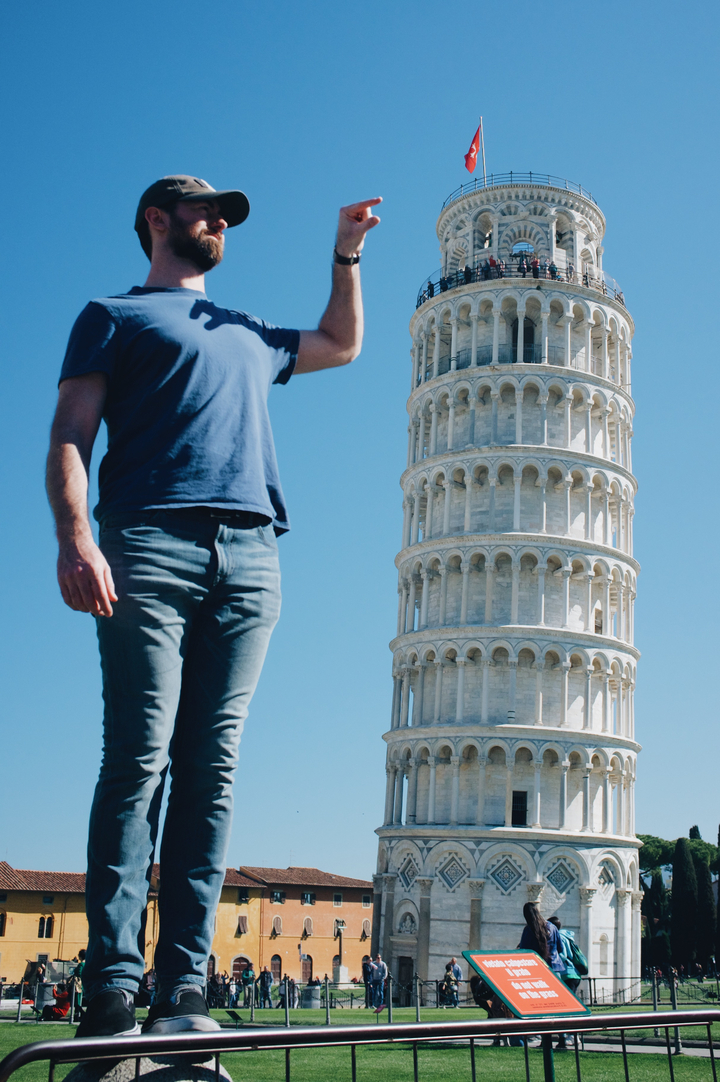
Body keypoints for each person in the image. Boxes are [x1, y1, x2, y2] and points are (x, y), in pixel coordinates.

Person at [47, 176, 381, 1041]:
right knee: (138, 760)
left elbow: (343, 343)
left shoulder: (248, 330)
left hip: (253, 554)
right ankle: (114, 987)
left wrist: (346, 253)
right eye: (205, 211)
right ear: (158, 221)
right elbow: (71, 434)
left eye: (227, 216)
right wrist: (75, 537)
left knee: (212, 770)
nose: (219, 224)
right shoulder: (111, 314)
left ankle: (183, 989)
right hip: (148, 544)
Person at [548, 916, 583, 1050]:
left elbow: (563, 955)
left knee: (564, 1008)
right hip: (575, 974)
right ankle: (574, 1036)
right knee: (570, 1007)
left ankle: (568, 1037)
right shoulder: (567, 936)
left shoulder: (560, 937)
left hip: (567, 974)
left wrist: (551, 956)